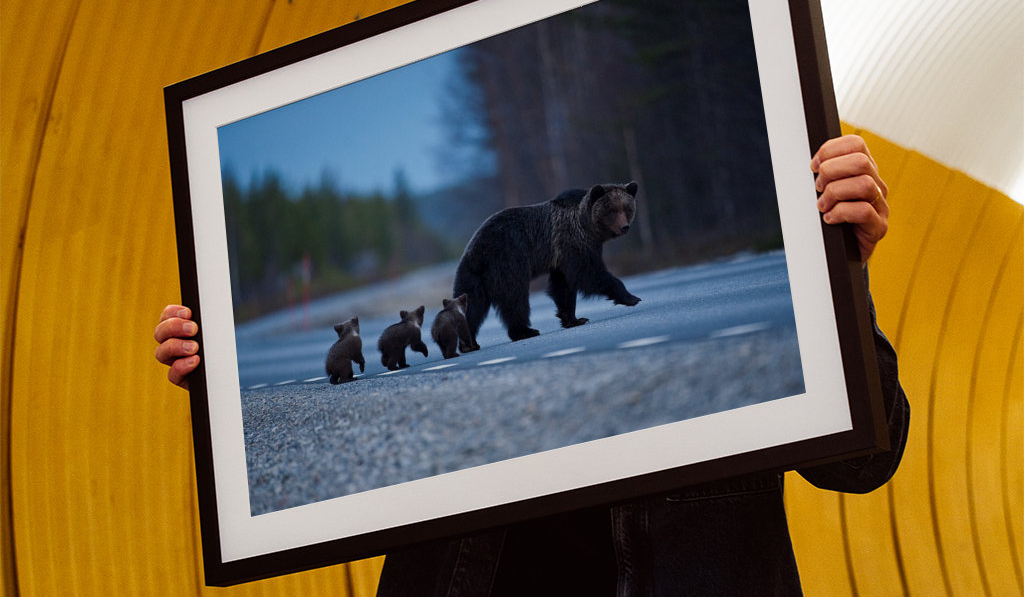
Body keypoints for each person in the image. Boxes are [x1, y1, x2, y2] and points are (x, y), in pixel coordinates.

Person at [155, 134, 909, 595]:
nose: (621, 225)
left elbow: (864, 462)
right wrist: (219, 381)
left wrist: (839, 272)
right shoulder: (549, 231)